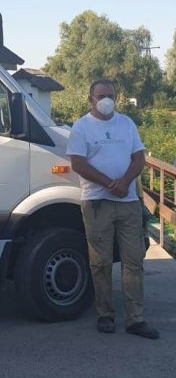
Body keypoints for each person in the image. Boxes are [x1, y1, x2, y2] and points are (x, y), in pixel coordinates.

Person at [66, 79, 159, 339]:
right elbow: (78, 164)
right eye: (101, 96)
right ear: (91, 99)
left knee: (133, 262)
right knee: (100, 262)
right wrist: (109, 184)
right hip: (97, 203)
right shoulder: (81, 127)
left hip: (128, 203)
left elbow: (139, 158)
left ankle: (135, 320)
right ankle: (105, 315)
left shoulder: (126, 124)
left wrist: (125, 182)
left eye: (111, 95)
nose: (107, 100)